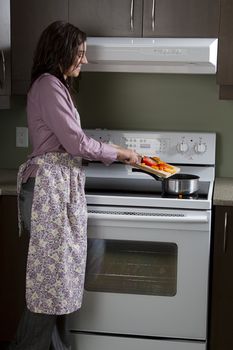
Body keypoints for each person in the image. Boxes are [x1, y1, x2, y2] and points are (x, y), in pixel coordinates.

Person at [8, 21, 139, 350]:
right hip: (47, 191)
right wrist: (119, 152)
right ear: (61, 52)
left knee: (54, 287)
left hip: (55, 189)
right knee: (49, 289)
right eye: (79, 54)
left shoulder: (54, 85)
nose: (84, 61)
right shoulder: (49, 86)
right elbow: (76, 142)